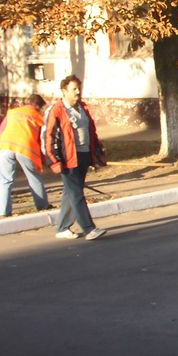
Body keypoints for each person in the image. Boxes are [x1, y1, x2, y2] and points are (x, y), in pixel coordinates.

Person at [43, 75, 108, 240]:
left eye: (79, 88)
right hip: (67, 159)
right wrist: (54, 160)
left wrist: (98, 150)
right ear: (64, 91)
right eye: (74, 89)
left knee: (70, 193)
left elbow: (91, 131)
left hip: (84, 155)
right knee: (76, 193)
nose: (78, 92)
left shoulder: (82, 108)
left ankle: (63, 228)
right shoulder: (56, 110)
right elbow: (47, 136)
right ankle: (89, 228)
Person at [0, 93, 51, 216]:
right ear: (37, 106)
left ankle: (3, 211)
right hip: (25, 148)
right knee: (33, 176)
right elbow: (41, 140)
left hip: (5, 146)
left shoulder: (12, 112)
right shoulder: (37, 117)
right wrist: (43, 159)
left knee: (5, 180)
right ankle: (42, 205)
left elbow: (2, 129)